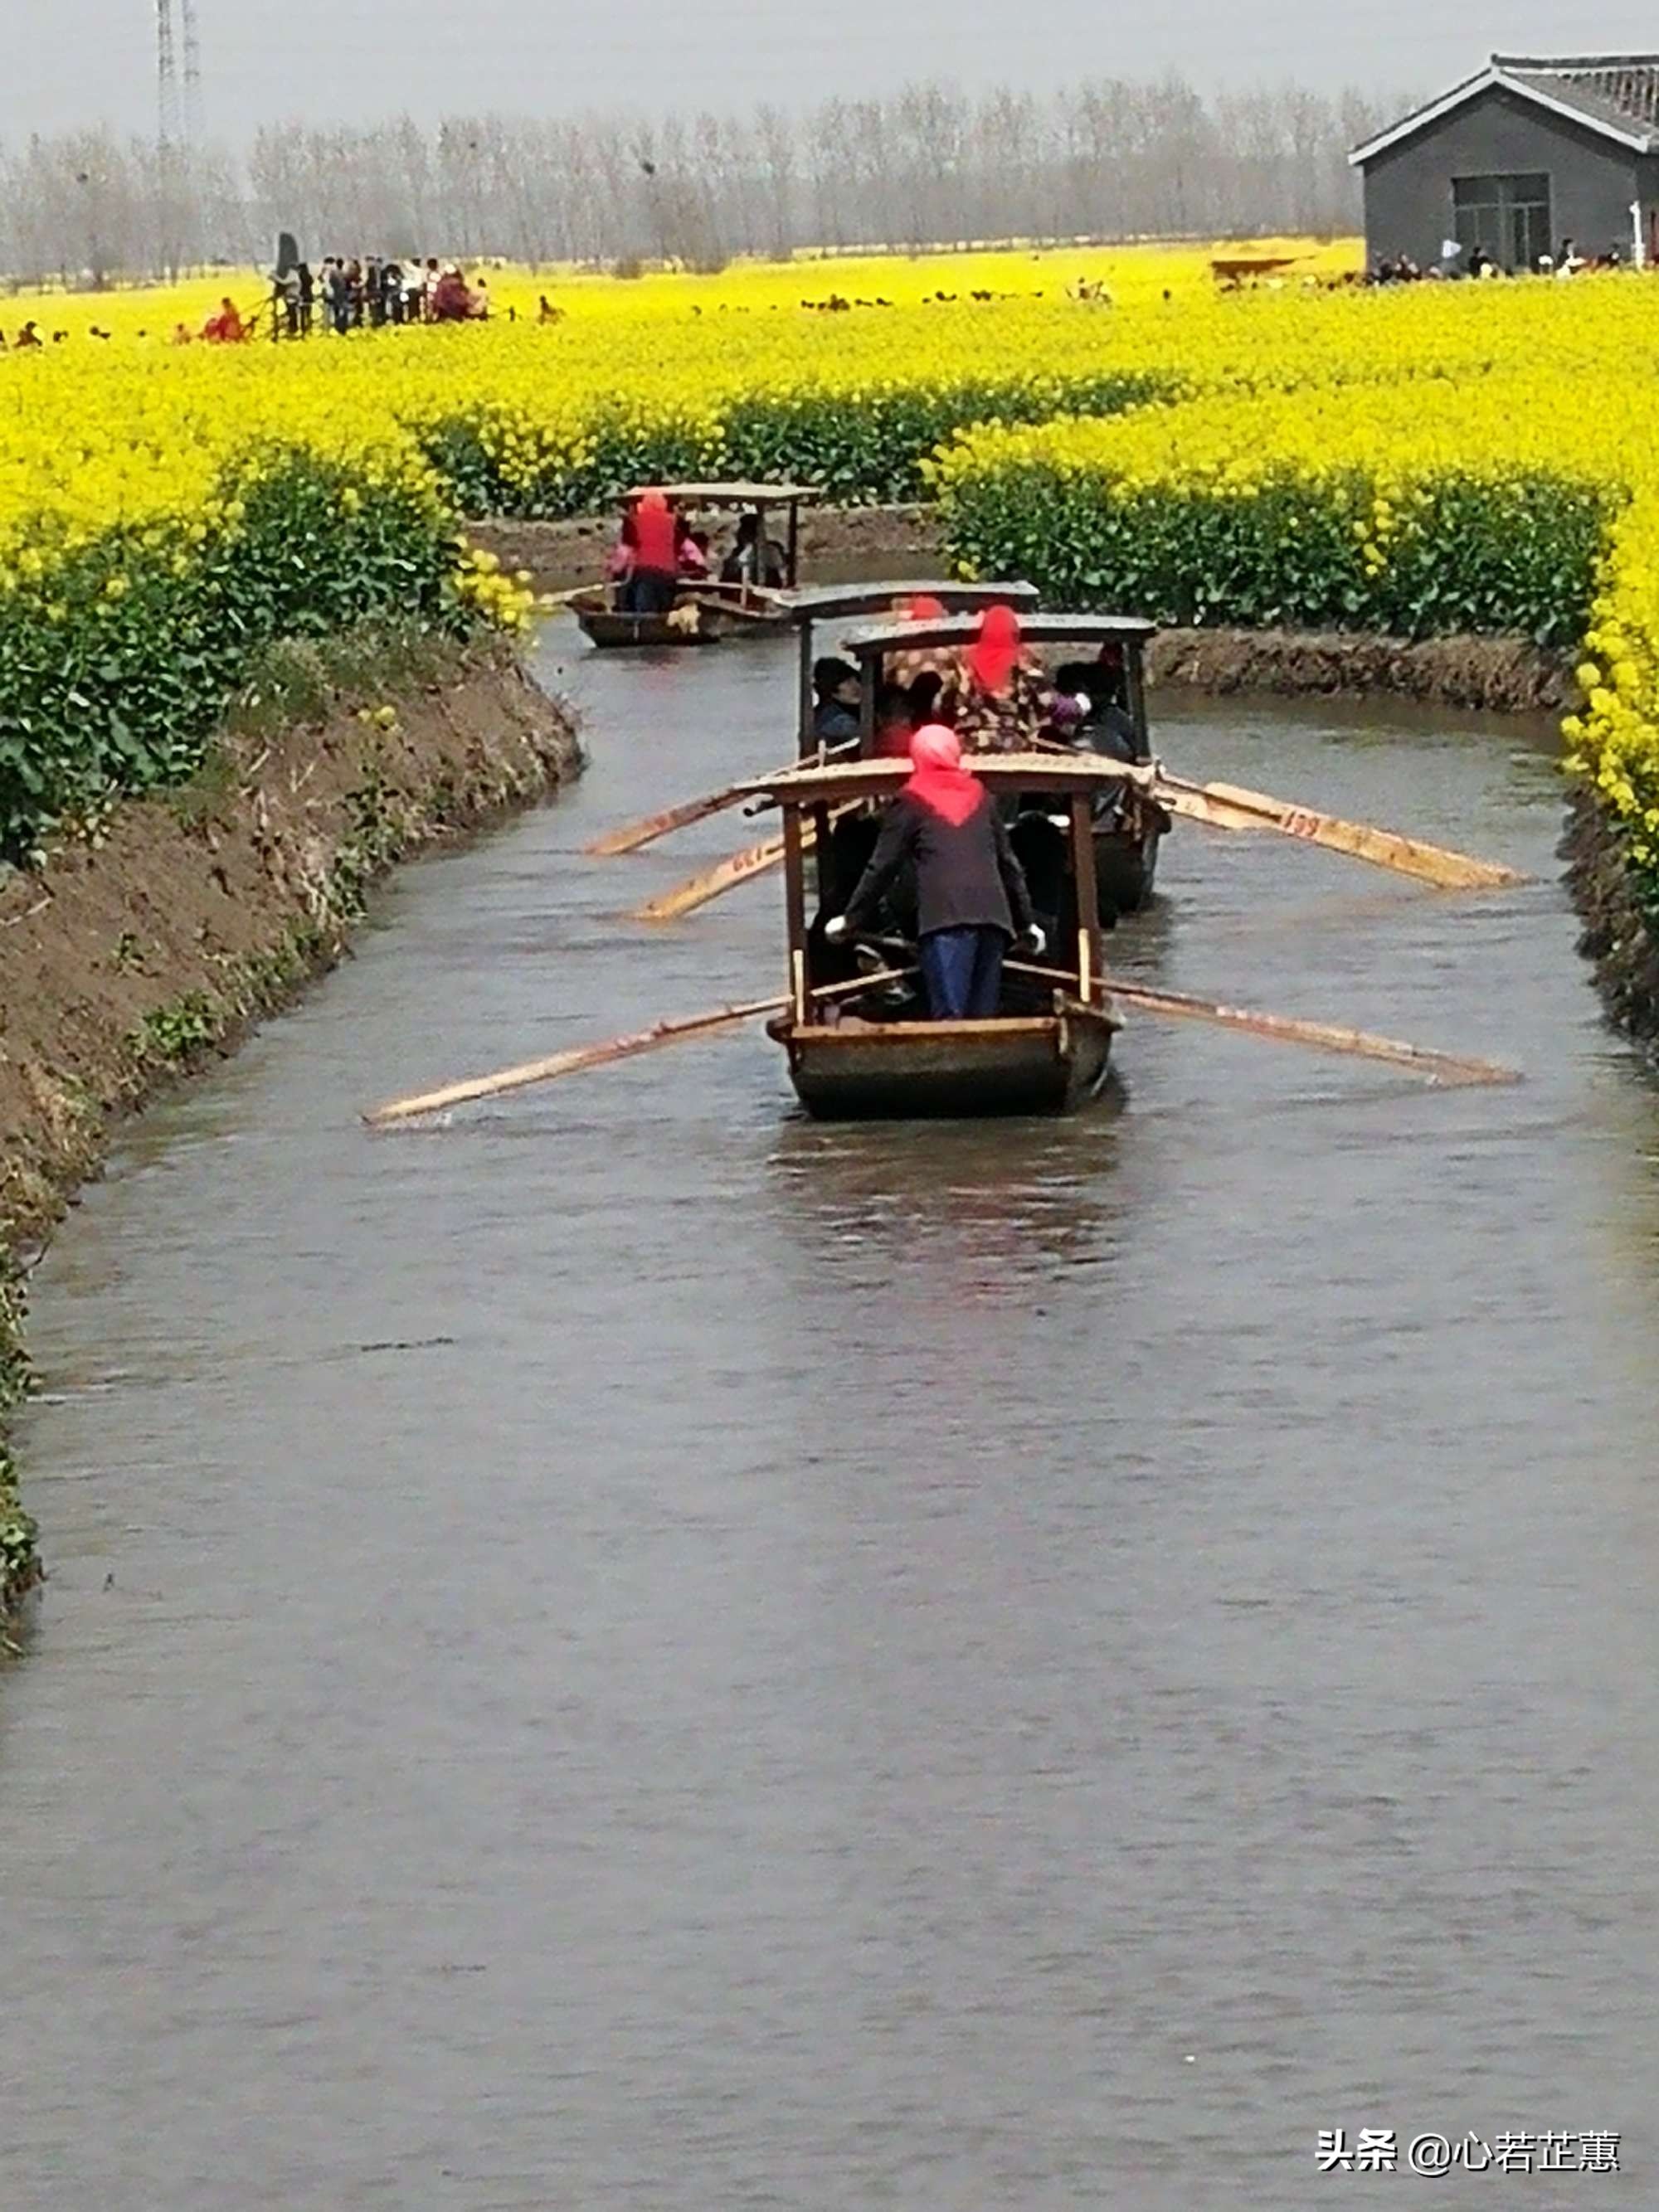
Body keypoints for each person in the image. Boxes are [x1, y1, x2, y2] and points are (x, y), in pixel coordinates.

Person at [825, 725, 1040, 1019]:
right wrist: (1026, 922)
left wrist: (852, 918)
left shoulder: (911, 799)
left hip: (945, 921)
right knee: (982, 1018)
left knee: (950, 1017)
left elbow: (883, 865)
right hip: (994, 920)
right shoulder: (982, 796)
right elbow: (1009, 865)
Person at [938, 605, 1054, 753]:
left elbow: (942, 705)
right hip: (1014, 747)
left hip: (968, 746)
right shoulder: (1023, 663)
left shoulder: (965, 663)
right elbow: (1050, 705)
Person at [625, 489, 680, 615]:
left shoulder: (637, 521)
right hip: (667, 570)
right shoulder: (671, 521)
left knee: (645, 607)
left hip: (645, 569)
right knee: (665, 606)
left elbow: (631, 545)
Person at [720, 509, 786, 591]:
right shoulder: (737, 552)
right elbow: (728, 576)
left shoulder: (771, 550)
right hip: (741, 590)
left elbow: (781, 571)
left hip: (767, 589)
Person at [812, 658, 861, 742]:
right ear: (831, 689)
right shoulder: (839, 721)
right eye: (847, 682)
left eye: (856, 680)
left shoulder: (820, 714)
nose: (856, 686)